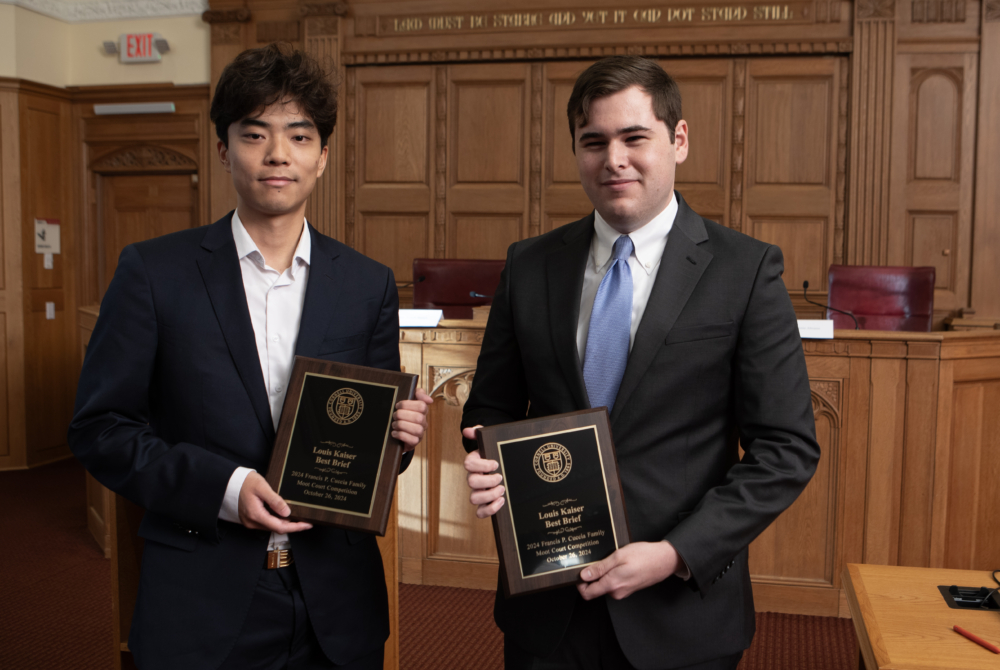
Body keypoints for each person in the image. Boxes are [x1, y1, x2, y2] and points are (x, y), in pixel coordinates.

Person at [69, 44, 431, 670]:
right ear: (223, 149)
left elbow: (366, 453)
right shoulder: (155, 273)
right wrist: (225, 488)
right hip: (201, 596)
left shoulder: (367, 284)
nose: (277, 154)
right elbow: (100, 429)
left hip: (336, 602)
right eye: (254, 133)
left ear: (322, 154)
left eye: (298, 135)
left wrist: (398, 441)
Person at [461, 56, 820, 670]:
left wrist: (676, 553)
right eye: (593, 141)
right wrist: (484, 460)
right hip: (547, 607)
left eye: (635, 138)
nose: (613, 159)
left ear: (678, 141)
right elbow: (490, 408)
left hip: (680, 610)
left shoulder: (746, 270)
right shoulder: (529, 265)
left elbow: (786, 448)